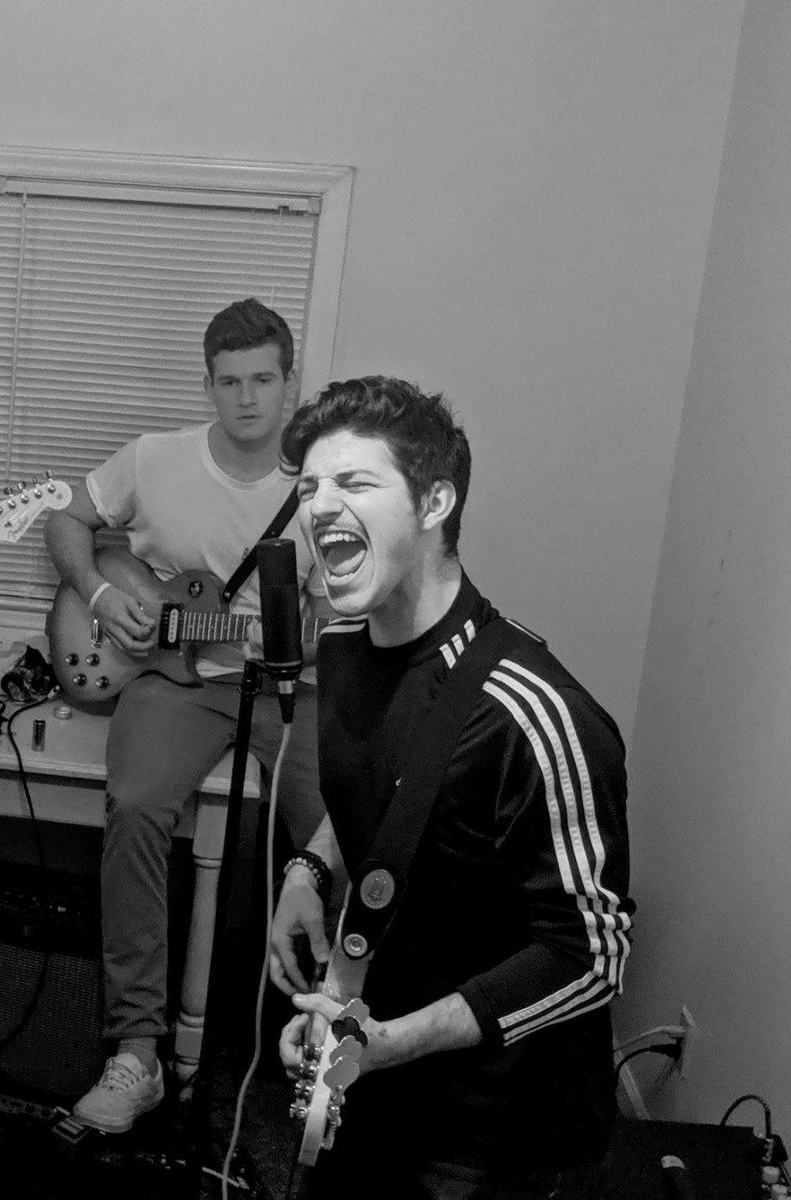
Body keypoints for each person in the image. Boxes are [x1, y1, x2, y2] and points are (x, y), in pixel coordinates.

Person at [269, 378, 634, 1197]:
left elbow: (591, 953)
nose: (319, 505)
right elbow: (394, 789)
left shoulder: (532, 712)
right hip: (372, 1081)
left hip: (492, 1137)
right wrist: (310, 870)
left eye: (354, 482)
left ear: (435, 502)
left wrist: (396, 1042)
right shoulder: (343, 648)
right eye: (309, 487)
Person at [44, 298, 327, 1132]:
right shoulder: (154, 458)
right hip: (175, 681)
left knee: (340, 830)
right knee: (134, 807)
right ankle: (136, 1054)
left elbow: (343, 617)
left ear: (289, 382)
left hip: (290, 686)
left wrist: (310, 634)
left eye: (263, 380)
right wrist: (101, 593)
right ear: (208, 385)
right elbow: (67, 519)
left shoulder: (321, 484)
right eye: (229, 382)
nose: (247, 399)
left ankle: (339, 1044)